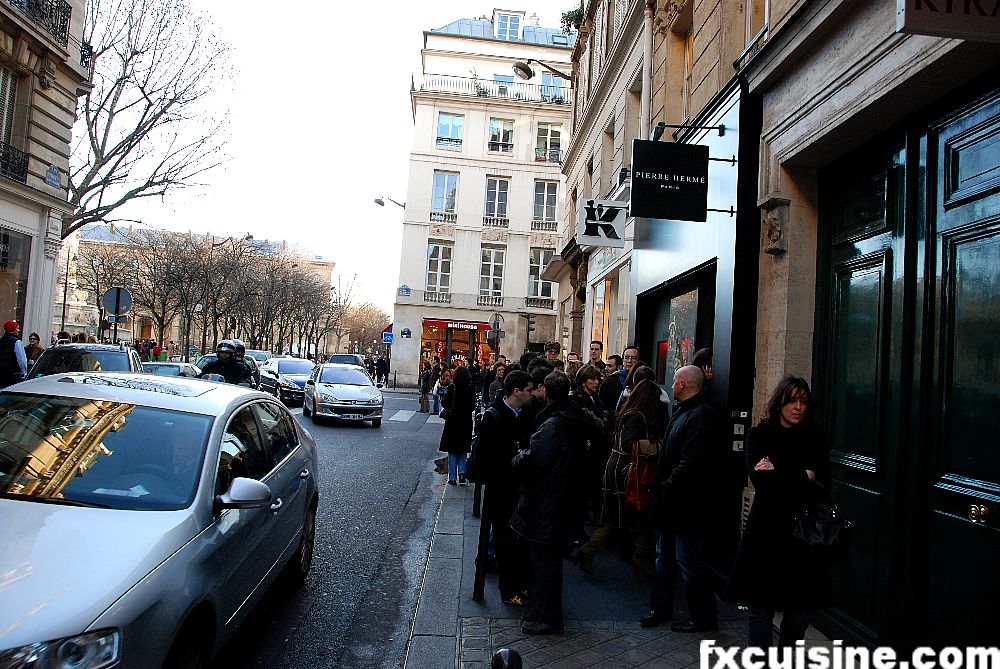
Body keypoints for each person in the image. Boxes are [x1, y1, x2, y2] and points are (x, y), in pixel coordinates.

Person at [725, 376, 832, 649]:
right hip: (766, 534)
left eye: (804, 401)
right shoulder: (760, 436)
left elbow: (822, 487)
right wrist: (802, 476)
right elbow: (761, 482)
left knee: (801, 614)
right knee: (760, 611)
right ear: (780, 402)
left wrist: (782, 476)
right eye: (792, 401)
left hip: (803, 537)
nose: (798, 407)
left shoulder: (815, 439)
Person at [642, 365, 723, 633]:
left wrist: (667, 484)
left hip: (687, 505)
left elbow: (692, 462)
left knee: (689, 561)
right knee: (663, 557)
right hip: (671, 504)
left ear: (684, 385)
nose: (672, 385)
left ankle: (702, 617)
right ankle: (660, 607)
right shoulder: (685, 412)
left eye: (676, 380)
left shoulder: (700, 416)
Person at [510, 371, 586, 635]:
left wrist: (518, 456)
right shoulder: (573, 417)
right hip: (562, 497)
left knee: (546, 562)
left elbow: (535, 458)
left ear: (547, 392)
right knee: (547, 560)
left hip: (549, 500)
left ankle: (549, 618)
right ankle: (545, 612)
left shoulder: (554, 424)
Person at [577, 377, 663, 575]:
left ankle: (636, 555)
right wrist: (657, 446)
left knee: (625, 515)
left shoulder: (628, 412)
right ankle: (635, 556)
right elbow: (629, 444)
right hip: (626, 470)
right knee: (629, 514)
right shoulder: (637, 416)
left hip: (619, 467)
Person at [475, 369, 535, 604]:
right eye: (529, 390)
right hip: (499, 488)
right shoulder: (494, 415)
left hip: (516, 487)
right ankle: (508, 591)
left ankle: (516, 584)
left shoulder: (523, 412)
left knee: (515, 540)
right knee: (503, 539)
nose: (532, 394)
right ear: (516, 391)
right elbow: (484, 457)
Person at [439, 366, 475, 485]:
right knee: (463, 450)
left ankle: (453, 477)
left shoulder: (452, 388)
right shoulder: (470, 389)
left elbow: (445, 403)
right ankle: (462, 474)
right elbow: (472, 407)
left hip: (453, 423)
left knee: (452, 450)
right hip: (465, 422)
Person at [600, 346, 639, 415]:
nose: (629, 361)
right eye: (626, 358)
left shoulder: (643, 379)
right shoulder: (610, 381)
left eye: (633, 358)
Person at [0, 320, 27, 388]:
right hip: (12, 374)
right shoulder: (17, 342)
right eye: (17, 328)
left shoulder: (1, 341)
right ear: (13, 329)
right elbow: (21, 360)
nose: (18, 330)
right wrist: (24, 373)